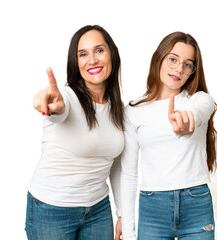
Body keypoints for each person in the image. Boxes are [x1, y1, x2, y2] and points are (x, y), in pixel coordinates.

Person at [25, 25, 124, 240]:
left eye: (99, 50)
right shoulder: (66, 98)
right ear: (75, 62)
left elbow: (114, 164)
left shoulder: (117, 108)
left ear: (111, 54)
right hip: (52, 208)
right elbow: (59, 110)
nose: (92, 60)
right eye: (83, 54)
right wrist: (52, 106)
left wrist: (122, 213)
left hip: (98, 209)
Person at [121, 31, 217, 240]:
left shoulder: (200, 100)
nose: (179, 69)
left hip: (196, 204)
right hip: (152, 208)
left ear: (193, 71)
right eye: (173, 59)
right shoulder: (133, 110)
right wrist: (129, 231)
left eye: (187, 64)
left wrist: (187, 121)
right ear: (159, 59)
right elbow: (129, 174)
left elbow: (199, 113)